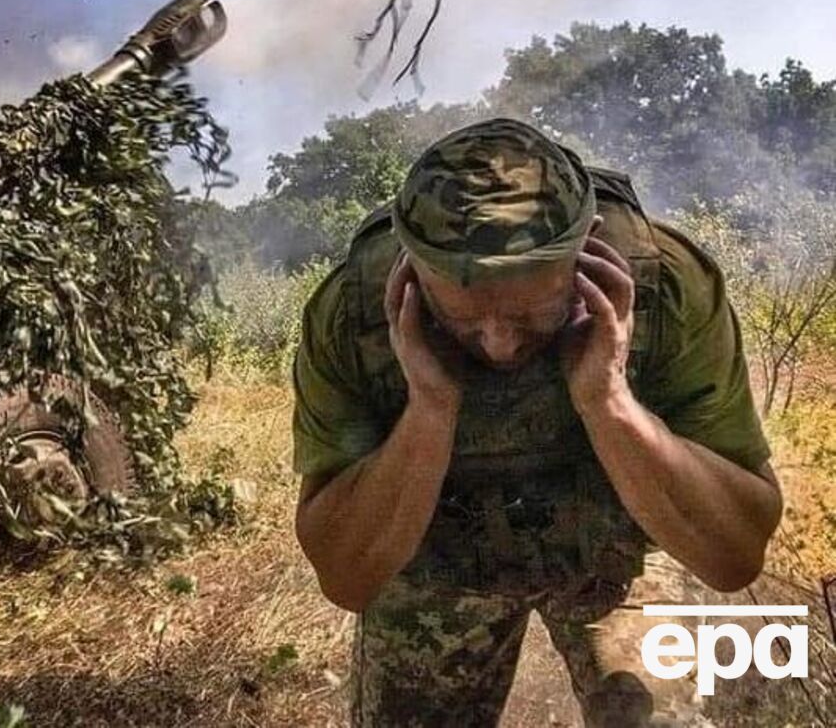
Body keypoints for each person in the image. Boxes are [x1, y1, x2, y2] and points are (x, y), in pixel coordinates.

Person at [290, 117, 783, 727]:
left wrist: (608, 400)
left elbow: (734, 556)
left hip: (611, 551)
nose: (499, 344)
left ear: (589, 253)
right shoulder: (352, 316)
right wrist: (431, 408)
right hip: (435, 559)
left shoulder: (666, 283)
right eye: (465, 319)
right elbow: (348, 576)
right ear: (411, 275)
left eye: (529, 312)